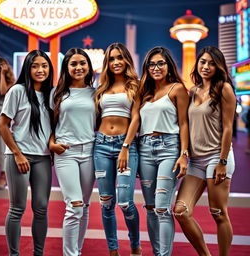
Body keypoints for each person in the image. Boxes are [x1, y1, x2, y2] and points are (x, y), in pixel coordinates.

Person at [174, 46, 236, 256]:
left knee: (218, 213)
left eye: (211, 63)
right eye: (203, 62)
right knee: (181, 212)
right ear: (197, 64)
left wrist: (223, 160)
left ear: (218, 66)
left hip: (217, 157)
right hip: (195, 161)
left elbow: (228, 127)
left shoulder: (224, 88)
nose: (206, 66)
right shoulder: (192, 91)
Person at [0, 50, 53, 256]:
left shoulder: (52, 94)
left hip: (43, 157)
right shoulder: (17, 91)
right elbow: (3, 126)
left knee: (41, 208)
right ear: (28, 68)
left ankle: (38, 253)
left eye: (44, 66)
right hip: (18, 156)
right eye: (35, 66)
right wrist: (18, 154)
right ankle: (14, 254)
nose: (40, 70)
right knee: (17, 208)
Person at [138, 46, 189, 256]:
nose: (156, 67)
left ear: (169, 65)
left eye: (161, 63)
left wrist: (184, 154)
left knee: (162, 207)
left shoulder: (177, 89)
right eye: (152, 64)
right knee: (150, 208)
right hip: (145, 150)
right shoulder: (145, 92)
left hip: (169, 148)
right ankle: (157, 252)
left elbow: (184, 123)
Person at [94, 42, 142, 256]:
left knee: (124, 201)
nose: (116, 62)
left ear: (127, 60)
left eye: (120, 58)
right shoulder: (101, 87)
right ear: (107, 63)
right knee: (106, 203)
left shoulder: (136, 85)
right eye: (112, 58)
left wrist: (125, 146)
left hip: (126, 146)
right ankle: (113, 250)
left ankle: (135, 245)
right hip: (101, 146)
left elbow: (136, 118)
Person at [49, 48, 96, 256]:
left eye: (82, 63)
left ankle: (77, 251)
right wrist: (52, 144)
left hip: (90, 152)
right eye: (74, 64)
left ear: (89, 66)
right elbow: (48, 125)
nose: (78, 67)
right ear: (66, 68)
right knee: (74, 206)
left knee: (84, 206)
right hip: (66, 152)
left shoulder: (96, 93)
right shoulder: (57, 93)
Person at [0, 57, 15, 189]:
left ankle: (3, 177)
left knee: (2, 149)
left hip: (0, 116)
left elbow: (3, 92)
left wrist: (2, 74)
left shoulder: (10, 83)